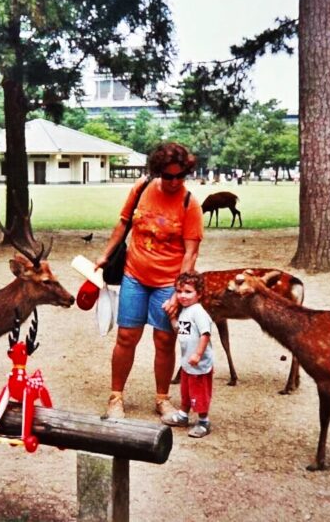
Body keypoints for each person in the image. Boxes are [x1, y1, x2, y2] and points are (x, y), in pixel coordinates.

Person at [95, 142, 204, 421]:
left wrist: (177, 293)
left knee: (164, 340)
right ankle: (116, 397)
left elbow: (190, 252)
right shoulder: (141, 188)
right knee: (126, 337)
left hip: (168, 281)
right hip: (134, 275)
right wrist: (105, 256)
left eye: (180, 175)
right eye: (168, 176)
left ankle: (162, 398)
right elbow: (123, 224)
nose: (174, 181)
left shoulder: (189, 203)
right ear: (157, 171)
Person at [161, 271, 214, 438]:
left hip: (198, 364)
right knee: (186, 391)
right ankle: (183, 415)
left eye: (188, 292)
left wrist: (198, 354)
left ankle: (204, 421)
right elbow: (180, 329)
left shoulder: (198, 312)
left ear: (199, 294)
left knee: (199, 393)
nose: (183, 296)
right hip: (187, 363)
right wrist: (171, 317)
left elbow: (205, 334)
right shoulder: (185, 311)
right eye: (179, 291)